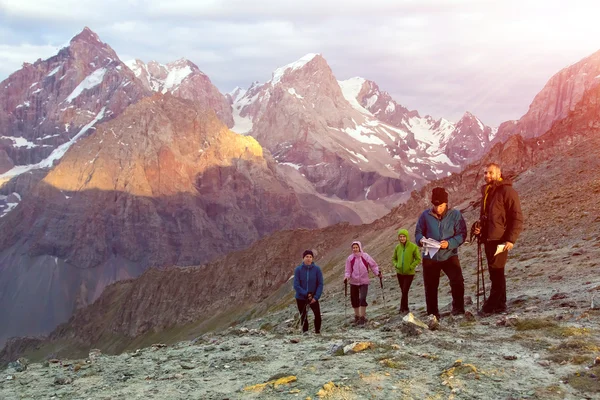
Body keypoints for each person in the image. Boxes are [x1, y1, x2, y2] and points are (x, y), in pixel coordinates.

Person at [473, 163, 523, 316]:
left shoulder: (507, 191)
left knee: (497, 271)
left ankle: (489, 307)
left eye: (490, 172)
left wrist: (510, 239)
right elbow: (488, 217)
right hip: (489, 238)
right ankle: (500, 305)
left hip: (500, 239)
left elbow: (517, 217)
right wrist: (480, 229)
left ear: (498, 173)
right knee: (495, 273)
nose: (487, 175)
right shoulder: (488, 192)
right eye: (485, 173)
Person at [415, 187, 467, 320]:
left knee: (457, 281)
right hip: (430, 256)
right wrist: (421, 240)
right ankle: (432, 314)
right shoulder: (425, 215)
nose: (438, 208)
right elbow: (418, 232)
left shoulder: (455, 215)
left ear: (446, 203)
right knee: (431, 287)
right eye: (435, 205)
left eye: (441, 205)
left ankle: (458, 309)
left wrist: (449, 243)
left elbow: (462, 234)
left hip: (449, 254)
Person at [344, 241, 381, 326]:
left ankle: (362, 317)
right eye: (353, 248)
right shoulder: (350, 258)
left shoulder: (365, 256)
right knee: (354, 299)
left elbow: (373, 265)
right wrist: (346, 277)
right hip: (353, 282)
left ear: (360, 247)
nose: (355, 249)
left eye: (356, 247)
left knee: (362, 298)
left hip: (364, 281)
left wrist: (377, 273)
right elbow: (348, 270)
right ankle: (357, 316)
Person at [293, 250, 324, 334]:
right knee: (303, 316)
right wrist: (306, 293)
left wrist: (316, 297)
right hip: (301, 297)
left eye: (310, 257)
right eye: (307, 257)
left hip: (313, 297)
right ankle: (305, 332)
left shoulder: (317, 269)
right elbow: (296, 285)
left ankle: (317, 331)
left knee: (317, 315)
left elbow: (320, 284)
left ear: (312, 258)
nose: (308, 259)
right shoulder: (298, 270)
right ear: (303, 258)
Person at [392, 229, 422, 314]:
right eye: (400, 237)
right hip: (399, 273)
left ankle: (402, 308)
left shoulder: (413, 247)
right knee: (403, 291)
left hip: (409, 273)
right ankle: (406, 308)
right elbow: (394, 258)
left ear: (407, 237)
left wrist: (411, 266)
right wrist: (396, 265)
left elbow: (418, 259)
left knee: (405, 291)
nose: (402, 238)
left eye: (403, 236)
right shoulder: (397, 247)